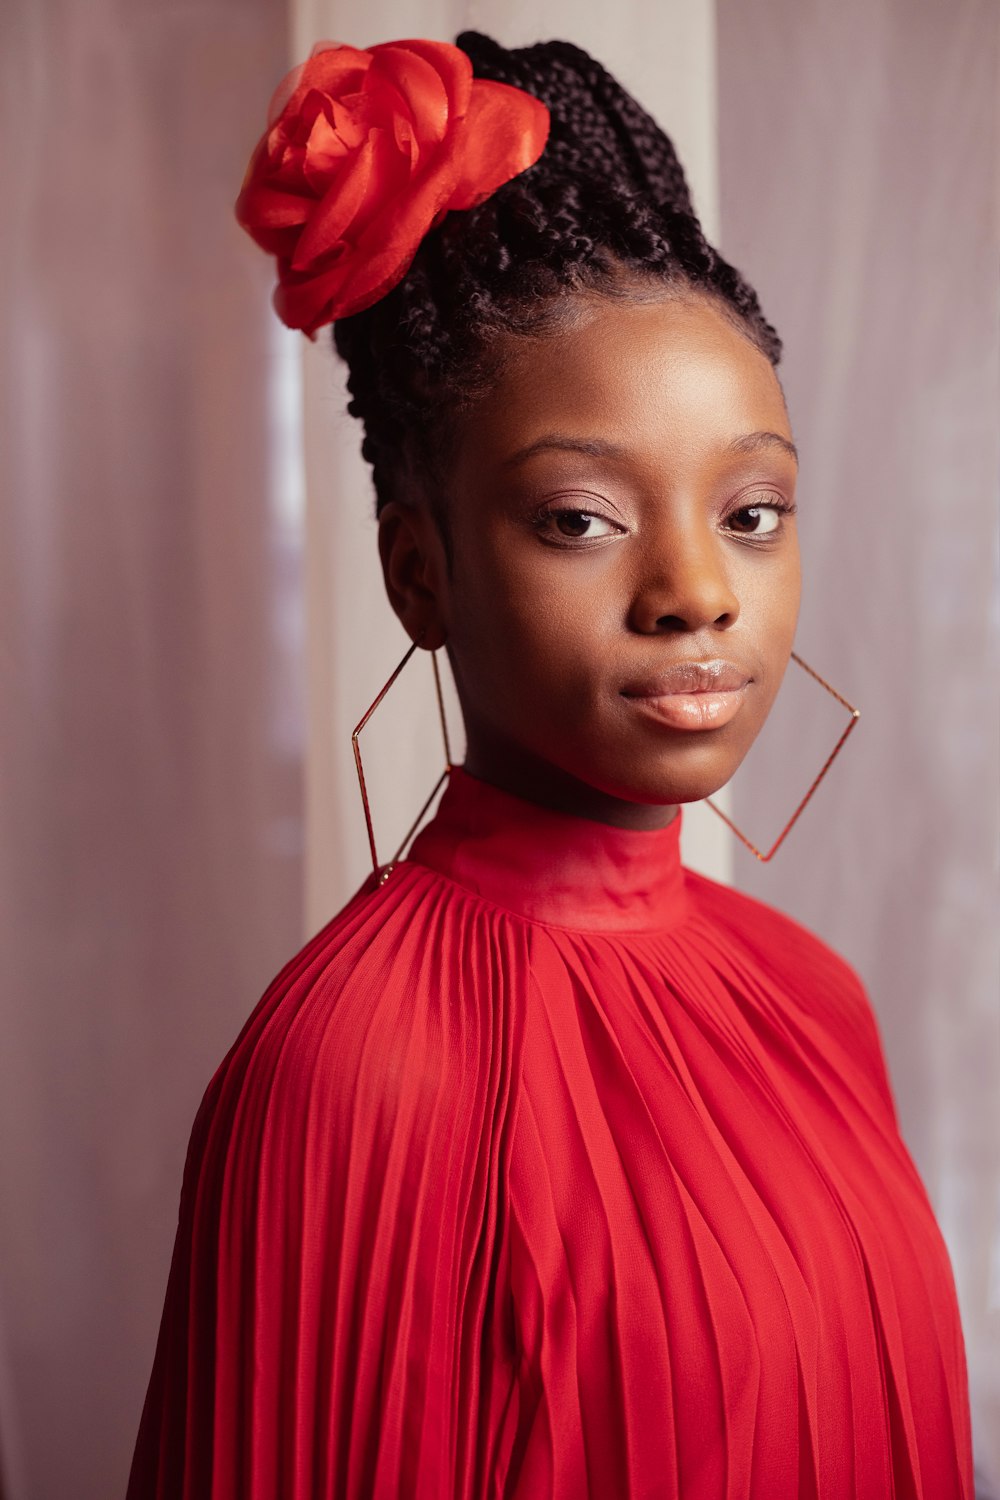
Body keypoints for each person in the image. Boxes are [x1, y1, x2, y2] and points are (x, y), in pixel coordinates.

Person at [126, 31, 975, 1499]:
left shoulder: (813, 997)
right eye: (582, 517)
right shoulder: (344, 1074)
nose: (696, 591)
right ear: (420, 573)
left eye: (753, 511)